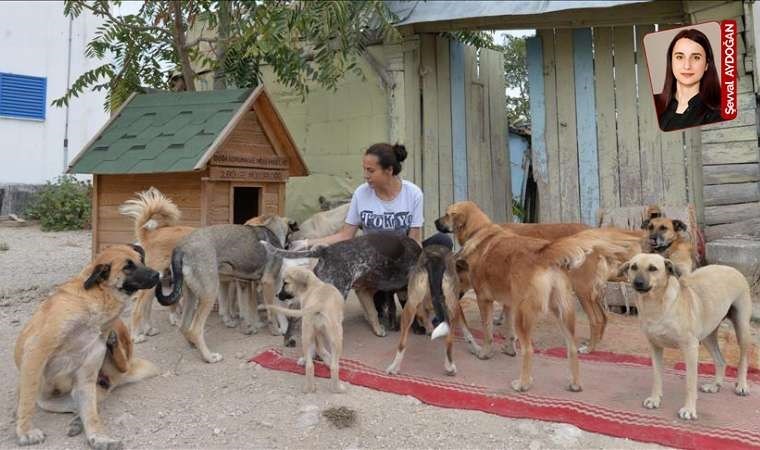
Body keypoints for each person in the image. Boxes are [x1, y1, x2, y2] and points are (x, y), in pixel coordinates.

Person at [655, 28, 722, 131]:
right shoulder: (657, 108)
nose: (687, 66)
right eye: (680, 57)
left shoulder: (717, 114)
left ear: (706, 65)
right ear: (671, 61)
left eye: (696, 58)